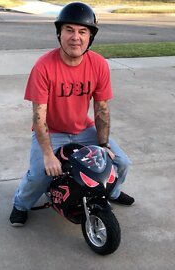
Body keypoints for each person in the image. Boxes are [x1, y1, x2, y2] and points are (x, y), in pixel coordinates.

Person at [10, 1, 134, 226]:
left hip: (84, 129)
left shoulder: (98, 64)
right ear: (59, 34)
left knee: (122, 162)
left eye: (82, 31)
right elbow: (39, 117)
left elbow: (101, 109)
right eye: (69, 30)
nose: (75, 37)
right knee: (39, 175)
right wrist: (48, 154)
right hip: (52, 132)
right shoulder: (43, 67)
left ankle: (113, 194)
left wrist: (104, 145)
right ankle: (20, 204)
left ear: (90, 37)